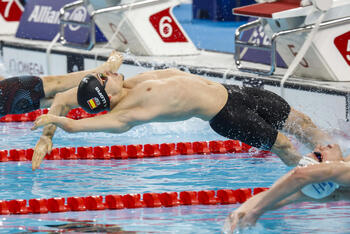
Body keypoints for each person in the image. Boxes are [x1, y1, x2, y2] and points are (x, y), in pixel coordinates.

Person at [31, 52, 333, 170]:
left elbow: (63, 97)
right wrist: (56, 123)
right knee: (283, 144)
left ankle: (338, 158)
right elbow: (77, 125)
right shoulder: (125, 115)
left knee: (300, 122)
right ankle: (315, 178)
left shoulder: (125, 83)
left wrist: (47, 137)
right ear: (104, 95)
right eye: (103, 78)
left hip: (235, 92)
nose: (107, 72)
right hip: (227, 115)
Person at [224, 143, 350, 233]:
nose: (320, 146)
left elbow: (299, 177)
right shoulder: (338, 181)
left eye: (317, 154)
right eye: (318, 155)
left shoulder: (334, 181)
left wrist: (253, 212)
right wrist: (241, 212)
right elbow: (280, 195)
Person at [0, 51, 122, 116]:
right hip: (4, 98)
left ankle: (105, 83)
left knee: (54, 98)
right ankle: (102, 73)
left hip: (5, 106)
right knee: (54, 85)